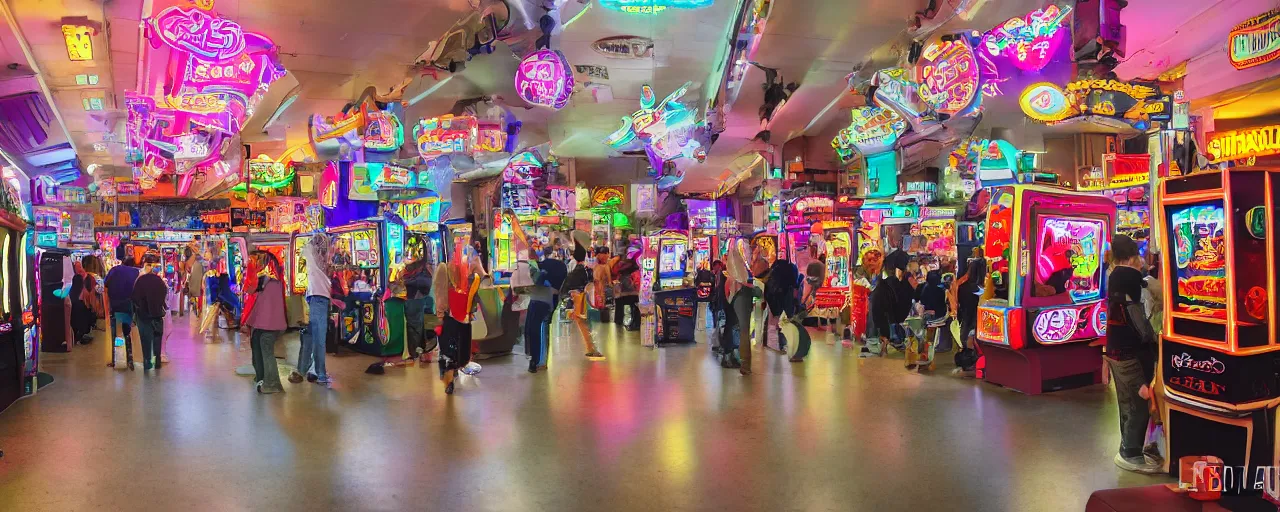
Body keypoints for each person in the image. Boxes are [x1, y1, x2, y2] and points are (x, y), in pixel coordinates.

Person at [1106, 234, 1161, 473]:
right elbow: (1135, 315)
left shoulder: (1113, 275)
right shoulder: (1127, 276)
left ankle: (1130, 448)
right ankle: (1130, 452)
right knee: (1139, 400)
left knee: (1128, 401)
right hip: (1130, 350)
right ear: (1132, 257)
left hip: (1117, 348)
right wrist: (1150, 338)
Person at [434, 251, 481, 394]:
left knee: (449, 348)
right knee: (457, 347)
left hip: (452, 316)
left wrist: (440, 314)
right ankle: (451, 375)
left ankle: (449, 377)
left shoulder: (446, 269)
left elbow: (440, 293)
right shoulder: (468, 274)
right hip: (462, 317)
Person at [290, 234, 335, 383]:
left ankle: (305, 370)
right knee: (318, 340)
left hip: (313, 299)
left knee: (309, 338)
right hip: (319, 301)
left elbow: (306, 245)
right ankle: (319, 374)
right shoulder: (321, 262)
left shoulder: (317, 262)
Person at [244, 252, 289, 394]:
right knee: (258, 342)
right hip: (269, 322)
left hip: (268, 323)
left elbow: (249, 289)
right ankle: (262, 377)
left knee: (265, 345)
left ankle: (272, 383)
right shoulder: (274, 277)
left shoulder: (266, 278)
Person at [559, 241, 604, 359]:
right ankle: (592, 348)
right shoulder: (585, 269)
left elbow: (567, 286)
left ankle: (591, 348)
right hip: (584, 300)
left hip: (579, 300)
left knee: (584, 324)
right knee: (587, 324)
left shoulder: (576, 270)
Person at [723, 239, 758, 374]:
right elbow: (742, 282)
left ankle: (740, 361)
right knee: (744, 331)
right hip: (742, 296)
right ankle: (745, 365)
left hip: (736, 297)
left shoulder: (731, 270)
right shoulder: (741, 268)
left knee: (737, 329)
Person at [103, 256, 142, 369]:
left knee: (115, 333)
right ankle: (130, 359)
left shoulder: (114, 270)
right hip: (128, 304)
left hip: (115, 304)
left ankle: (115, 360)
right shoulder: (136, 272)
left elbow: (105, 286)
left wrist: (106, 307)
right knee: (127, 331)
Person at [132, 254, 168, 370]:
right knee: (157, 338)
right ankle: (157, 361)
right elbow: (164, 295)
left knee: (146, 339)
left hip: (144, 315)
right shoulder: (159, 281)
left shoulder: (140, 281)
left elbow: (135, 297)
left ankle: (148, 362)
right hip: (157, 314)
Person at [402, 254, 433, 364]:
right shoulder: (421, 274)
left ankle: (414, 352)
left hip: (414, 301)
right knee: (416, 328)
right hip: (418, 301)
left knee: (414, 328)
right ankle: (418, 350)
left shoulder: (416, 276)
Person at [612, 247, 641, 331]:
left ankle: (619, 323)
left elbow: (615, 271)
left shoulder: (621, 264)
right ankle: (635, 324)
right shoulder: (635, 264)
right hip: (633, 291)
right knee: (635, 306)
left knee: (621, 305)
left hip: (625, 291)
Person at [592, 246, 613, 323]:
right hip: (601, 287)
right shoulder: (606, 266)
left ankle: (598, 318)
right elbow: (609, 280)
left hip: (595, 287)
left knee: (597, 302)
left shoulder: (595, 266)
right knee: (602, 302)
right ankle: (603, 318)